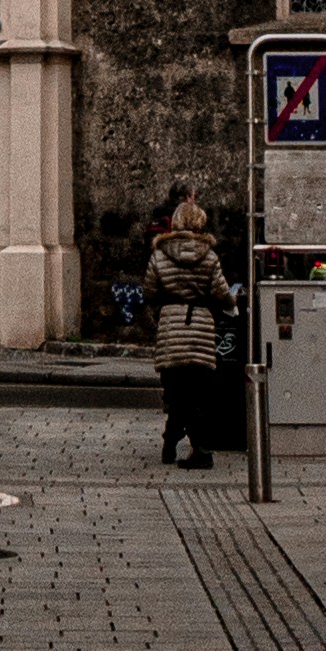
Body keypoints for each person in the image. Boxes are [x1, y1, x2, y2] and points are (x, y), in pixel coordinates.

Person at [142, 201, 235, 470]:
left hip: (171, 328)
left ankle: (172, 443)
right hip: (201, 329)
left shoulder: (159, 254)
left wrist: (167, 303)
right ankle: (200, 450)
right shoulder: (209, 256)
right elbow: (222, 294)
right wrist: (230, 302)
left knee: (176, 394)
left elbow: (149, 292)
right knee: (198, 394)